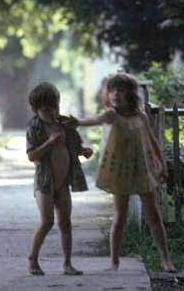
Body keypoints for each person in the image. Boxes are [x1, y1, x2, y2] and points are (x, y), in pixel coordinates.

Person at [75, 73, 176, 272]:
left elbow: (153, 141)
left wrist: (162, 164)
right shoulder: (111, 115)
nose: (115, 94)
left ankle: (166, 259)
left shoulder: (141, 117)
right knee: (120, 216)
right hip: (120, 171)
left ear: (130, 93)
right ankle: (114, 261)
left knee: (153, 215)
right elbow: (93, 120)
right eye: (111, 90)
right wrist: (76, 122)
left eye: (120, 90)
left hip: (142, 170)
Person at [25, 82, 93, 276]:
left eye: (54, 107)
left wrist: (83, 151)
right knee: (47, 222)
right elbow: (31, 156)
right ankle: (33, 259)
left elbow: (74, 146)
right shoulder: (34, 127)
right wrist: (49, 143)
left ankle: (67, 264)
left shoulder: (65, 124)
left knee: (65, 222)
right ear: (36, 109)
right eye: (46, 110)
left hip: (63, 183)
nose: (51, 112)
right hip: (44, 183)